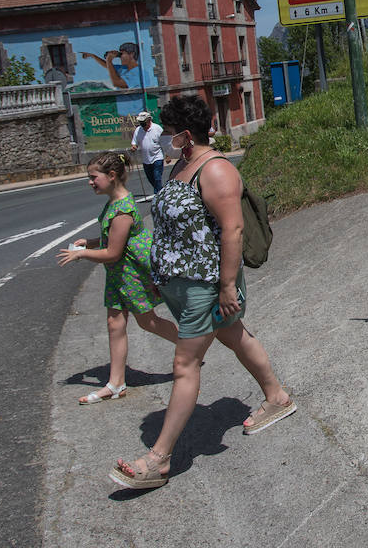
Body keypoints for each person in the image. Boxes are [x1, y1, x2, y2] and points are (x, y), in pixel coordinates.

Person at [111, 95, 294, 489]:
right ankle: (277, 396)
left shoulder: (215, 172)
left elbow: (233, 230)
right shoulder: (183, 164)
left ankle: (158, 460)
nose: (163, 139)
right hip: (182, 284)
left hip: (206, 286)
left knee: (185, 364)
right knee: (233, 334)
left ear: (187, 134)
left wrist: (227, 286)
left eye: (170, 132)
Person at [58, 152, 178, 404]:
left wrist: (81, 254)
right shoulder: (114, 202)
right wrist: (89, 242)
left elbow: (113, 253)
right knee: (115, 324)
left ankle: (190, 349)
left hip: (129, 274)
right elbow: (113, 239)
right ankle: (116, 383)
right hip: (118, 276)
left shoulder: (122, 209)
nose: (90, 182)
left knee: (148, 322)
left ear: (111, 176)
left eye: (93, 177)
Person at [129, 111, 165, 196]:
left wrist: (167, 155)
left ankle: (158, 194)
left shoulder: (157, 128)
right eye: (140, 123)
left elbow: (164, 142)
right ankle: (161, 191)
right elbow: (134, 142)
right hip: (146, 159)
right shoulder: (138, 130)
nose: (142, 124)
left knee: (157, 178)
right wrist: (134, 147)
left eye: (143, 122)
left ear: (149, 120)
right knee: (150, 179)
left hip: (157, 157)